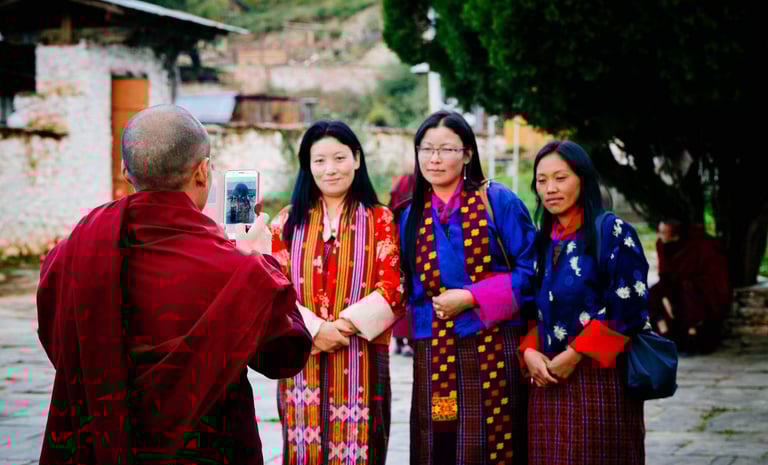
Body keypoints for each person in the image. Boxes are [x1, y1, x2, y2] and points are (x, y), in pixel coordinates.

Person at [36, 104, 312, 465]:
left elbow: (56, 337)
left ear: (126, 171)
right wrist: (263, 262)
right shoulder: (236, 269)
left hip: (100, 447)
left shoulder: (74, 250)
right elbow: (286, 354)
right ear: (202, 171)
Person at [400, 110, 536, 464]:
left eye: (446, 149)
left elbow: (531, 270)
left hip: (494, 342)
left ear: (468, 153)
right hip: (436, 349)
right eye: (426, 149)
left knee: (494, 440)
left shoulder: (498, 201)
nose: (434, 158)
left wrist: (473, 296)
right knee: (438, 441)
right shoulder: (408, 215)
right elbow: (404, 288)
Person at [270, 120, 405, 465]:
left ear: (357, 159)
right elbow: (274, 289)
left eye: (340, 158)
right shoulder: (286, 223)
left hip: (362, 357)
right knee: (302, 451)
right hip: (303, 357)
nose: (330, 169)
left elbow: (393, 289)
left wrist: (339, 329)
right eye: (319, 161)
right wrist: (316, 330)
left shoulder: (380, 219)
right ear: (307, 165)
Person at [521, 140, 648, 464]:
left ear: (583, 179)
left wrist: (576, 354)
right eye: (542, 180)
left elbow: (629, 308)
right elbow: (534, 307)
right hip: (548, 380)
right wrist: (530, 352)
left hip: (600, 380)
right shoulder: (542, 242)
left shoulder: (614, 232)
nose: (550, 188)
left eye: (560, 178)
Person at [649, 219, 729, 354]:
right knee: (653, 293)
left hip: (700, 284)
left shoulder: (696, 245)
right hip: (673, 283)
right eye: (659, 232)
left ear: (674, 233)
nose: (660, 236)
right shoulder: (662, 245)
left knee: (688, 291)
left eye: (664, 232)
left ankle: (692, 334)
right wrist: (665, 296)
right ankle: (664, 332)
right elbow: (664, 273)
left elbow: (709, 272)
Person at [389, 173, 416, 356]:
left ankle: (399, 342)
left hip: (400, 231)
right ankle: (406, 342)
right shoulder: (412, 180)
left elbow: (392, 203)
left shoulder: (403, 181)